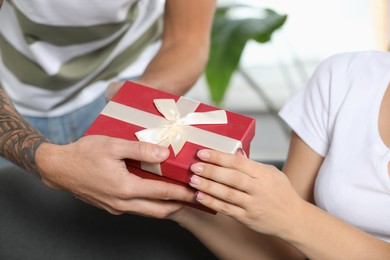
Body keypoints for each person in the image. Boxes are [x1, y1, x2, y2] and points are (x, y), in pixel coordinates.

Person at [164, 50, 390, 259]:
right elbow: (286, 252)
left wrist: (292, 215)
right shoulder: (346, 78)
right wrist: (182, 203)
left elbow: (289, 219)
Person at [0, 0, 216, 217]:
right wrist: (47, 161)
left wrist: (135, 101)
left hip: (131, 80)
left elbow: (187, 40)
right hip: (10, 98)